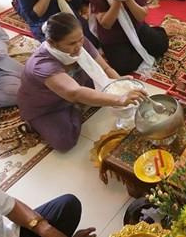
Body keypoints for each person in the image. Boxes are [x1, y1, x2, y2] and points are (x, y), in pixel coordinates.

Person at [18, 13, 146, 151]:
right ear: (51, 43)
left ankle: (81, 102)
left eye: (80, 39)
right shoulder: (42, 65)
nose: (79, 46)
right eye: (72, 43)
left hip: (76, 87)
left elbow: (105, 68)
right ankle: (76, 107)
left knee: (106, 91)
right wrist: (119, 99)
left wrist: (118, 82)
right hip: (47, 106)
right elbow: (74, 92)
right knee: (64, 142)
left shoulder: (80, 42)